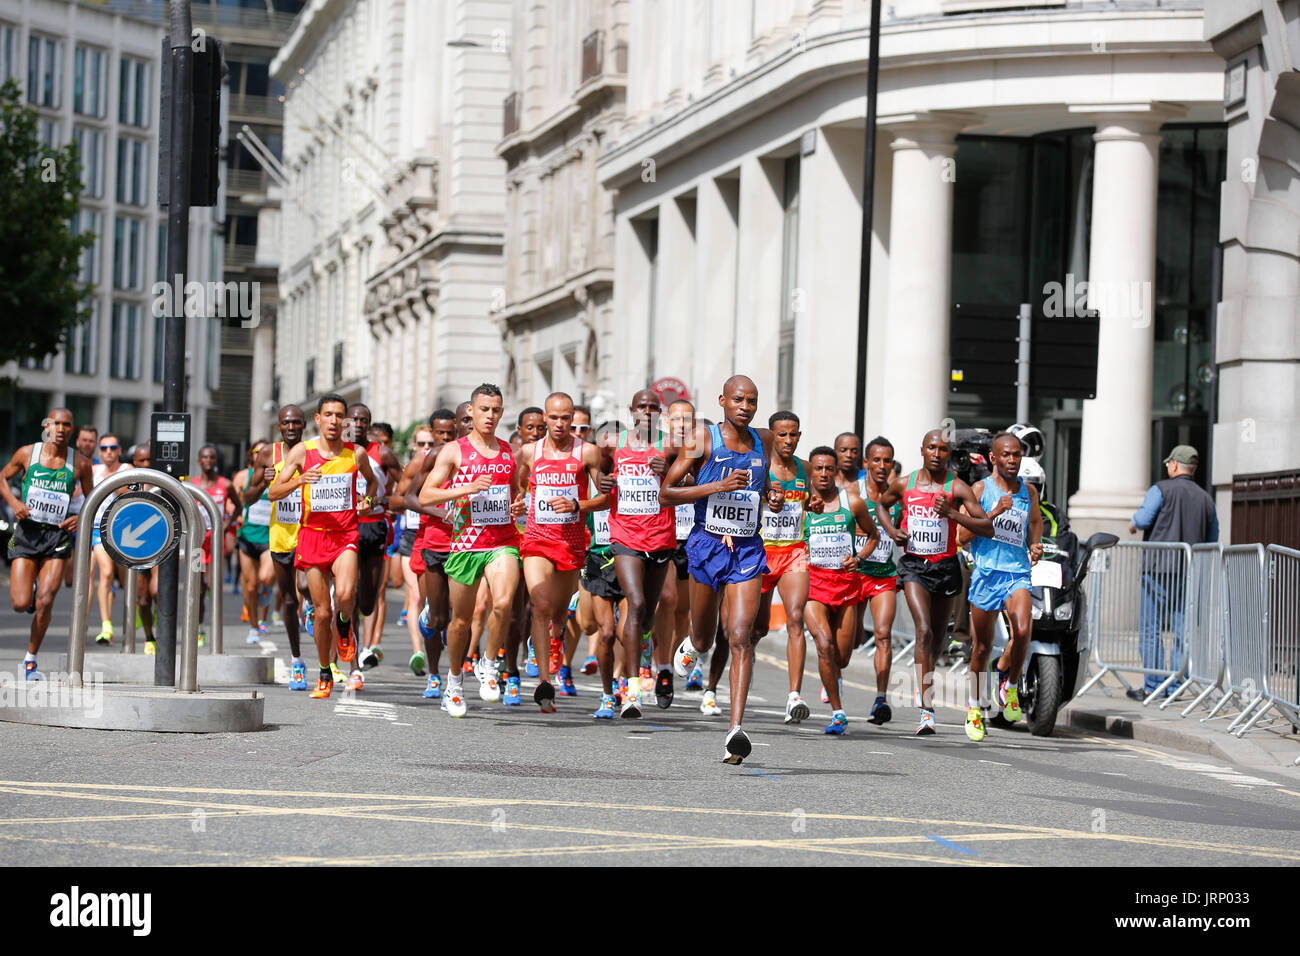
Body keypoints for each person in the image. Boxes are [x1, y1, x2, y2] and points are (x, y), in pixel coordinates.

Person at [662, 375, 777, 764]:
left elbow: (764, 486)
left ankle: (735, 731)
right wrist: (716, 487)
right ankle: (692, 645)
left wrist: (771, 495)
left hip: (746, 549)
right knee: (706, 637)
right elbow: (667, 492)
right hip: (707, 545)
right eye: (739, 399)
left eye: (752, 401)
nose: (746, 406)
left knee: (741, 635)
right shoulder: (702, 439)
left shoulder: (765, 439)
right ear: (722, 400)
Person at [874, 429, 993, 736]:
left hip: (946, 567)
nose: (937, 454)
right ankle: (926, 710)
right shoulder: (905, 483)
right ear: (922, 450)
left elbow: (986, 527)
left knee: (937, 639)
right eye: (932, 448)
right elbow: (881, 504)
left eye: (943, 449)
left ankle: (925, 678)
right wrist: (891, 530)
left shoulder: (957, 486)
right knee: (923, 630)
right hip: (914, 566)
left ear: (949, 453)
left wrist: (952, 512)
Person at [419, 384, 525, 717]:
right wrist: (466, 487)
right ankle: (453, 683)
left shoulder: (510, 452)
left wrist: (516, 507)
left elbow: (512, 495)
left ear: (502, 412)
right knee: (460, 622)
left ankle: (489, 664)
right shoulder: (454, 451)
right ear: (471, 411)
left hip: (502, 541)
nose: (490, 416)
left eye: (496, 410)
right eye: (484, 410)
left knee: (505, 602)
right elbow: (425, 496)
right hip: (466, 544)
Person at [269, 394, 379, 699]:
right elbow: (274, 492)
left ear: (345, 421)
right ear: (317, 419)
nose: (334, 421)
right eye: (328, 415)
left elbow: (372, 483)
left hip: (345, 535)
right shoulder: (303, 452)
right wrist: (299, 480)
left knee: (346, 595)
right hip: (312, 535)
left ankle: (345, 627)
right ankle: (324, 672)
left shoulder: (355, 454)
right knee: (321, 612)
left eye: (339, 416)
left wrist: (368, 501)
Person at [595, 389, 683, 718]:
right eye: (641, 406)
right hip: (625, 537)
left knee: (647, 617)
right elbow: (602, 473)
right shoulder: (612, 443)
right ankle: (632, 691)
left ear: (659, 413)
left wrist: (671, 469)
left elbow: (691, 480)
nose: (647, 412)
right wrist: (604, 483)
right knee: (637, 603)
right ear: (631, 411)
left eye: (652, 407)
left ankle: (642, 642)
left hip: (660, 538)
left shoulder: (671, 445)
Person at [516, 392, 605, 709]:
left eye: (565, 418)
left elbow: (607, 498)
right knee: (539, 605)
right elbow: (519, 486)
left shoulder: (588, 453)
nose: (559, 424)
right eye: (553, 418)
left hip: (571, 542)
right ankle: (544, 682)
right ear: (544, 417)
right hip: (537, 539)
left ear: (573, 419)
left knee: (558, 614)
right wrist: (516, 501)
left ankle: (554, 638)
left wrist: (578, 504)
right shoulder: (529, 452)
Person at [959, 433, 1042, 741]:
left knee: (1022, 629)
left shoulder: (1028, 491)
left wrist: (1034, 545)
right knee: (980, 647)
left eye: (1016, 455)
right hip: (986, 574)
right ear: (993, 458)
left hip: (1017, 572)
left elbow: (1035, 522)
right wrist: (993, 513)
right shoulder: (980, 490)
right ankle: (974, 708)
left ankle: (1010, 684)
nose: (1011, 460)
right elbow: (961, 538)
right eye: (1005, 455)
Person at [1, 408, 94, 679]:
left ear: (72, 429)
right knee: (20, 603)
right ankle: (29, 590)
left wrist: (79, 517)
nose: (61, 429)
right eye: (57, 423)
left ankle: (30, 661)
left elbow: (92, 498)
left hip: (57, 537)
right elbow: (2, 478)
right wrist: (15, 503)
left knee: (46, 600)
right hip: (27, 534)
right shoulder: (26, 454)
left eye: (67, 424)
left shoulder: (81, 464)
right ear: (47, 426)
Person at [801, 447, 880, 735]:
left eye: (829, 469)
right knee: (824, 643)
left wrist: (858, 559)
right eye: (818, 468)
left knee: (842, 657)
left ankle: (833, 677)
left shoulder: (853, 502)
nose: (823, 474)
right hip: (813, 585)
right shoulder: (802, 503)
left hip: (847, 585)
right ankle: (838, 712)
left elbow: (874, 535)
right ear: (811, 471)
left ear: (836, 472)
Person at [1129, 444, 1218, 699]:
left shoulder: (1161, 489)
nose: (1167, 467)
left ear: (1175, 465)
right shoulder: (1205, 498)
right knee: (1183, 629)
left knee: (1151, 628)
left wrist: (1133, 523)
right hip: (1187, 570)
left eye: (1169, 463)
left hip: (1157, 568)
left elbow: (1144, 519)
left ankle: (1154, 685)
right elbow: (1213, 537)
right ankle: (1177, 685)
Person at [754, 411, 814, 724]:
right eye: (782, 435)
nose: (788, 441)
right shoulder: (760, 466)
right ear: (771, 436)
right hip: (762, 553)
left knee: (794, 618)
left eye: (793, 435)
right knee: (758, 628)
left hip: (794, 552)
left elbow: (813, 500)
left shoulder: (804, 468)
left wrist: (815, 503)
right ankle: (740, 671)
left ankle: (794, 697)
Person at [396, 411, 459, 698]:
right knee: (435, 616)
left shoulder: (467, 456)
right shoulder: (428, 459)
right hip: (430, 540)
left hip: (464, 543)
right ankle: (434, 675)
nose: (445, 438)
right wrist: (440, 512)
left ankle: (453, 676)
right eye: (440, 433)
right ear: (431, 432)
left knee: (460, 614)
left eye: (450, 433)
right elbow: (408, 498)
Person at [252, 407, 308, 690]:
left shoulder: (313, 452)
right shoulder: (266, 455)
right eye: (286, 422)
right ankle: (297, 660)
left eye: (296, 422)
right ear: (279, 426)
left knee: (305, 583)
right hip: (280, 537)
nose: (291, 427)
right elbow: (247, 499)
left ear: (304, 425)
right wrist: (263, 480)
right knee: (288, 601)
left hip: (309, 533)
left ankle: (309, 604)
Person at [347, 404, 401, 677]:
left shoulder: (383, 453)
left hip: (374, 527)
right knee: (349, 595)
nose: (358, 423)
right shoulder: (335, 451)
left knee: (367, 601)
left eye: (363, 420)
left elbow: (405, 485)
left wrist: (387, 500)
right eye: (354, 419)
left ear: (369, 424)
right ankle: (351, 661)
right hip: (345, 529)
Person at [854, 437, 903, 725]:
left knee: (883, 634)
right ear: (866, 463)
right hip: (856, 573)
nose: (882, 466)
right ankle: (833, 676)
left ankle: (880, 699)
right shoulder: (854, 494)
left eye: (887, 461)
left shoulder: (896, 496)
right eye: (876, 460)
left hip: (884, 575)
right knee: (851, 641)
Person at [190, 445, 236, 646]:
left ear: (215, 461)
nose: (208, 460)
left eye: (212, 457)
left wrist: (226, 524)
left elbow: (239, 505)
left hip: (216, 542)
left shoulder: (225, 484)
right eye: (204, 457)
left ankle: (216, 629)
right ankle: (198, 628)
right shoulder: (193, 484)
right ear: (199, 461)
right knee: (197, 588)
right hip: (198, 543)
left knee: (213, 586)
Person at [89, 434, 130, 645]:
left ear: (119, 450)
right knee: (105, 572)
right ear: (99, 451)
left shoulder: (127, 469)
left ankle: (135, 618)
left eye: (113, 448)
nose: (108, 452)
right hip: (98, 529)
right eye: (104, 448)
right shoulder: (94, 471)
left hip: (123, 532)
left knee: (126, 581)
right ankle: (107, 626)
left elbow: (129, 492)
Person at [236, 441, 275, 646]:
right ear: (251, 455)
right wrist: (235, 515)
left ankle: (266, 598)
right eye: (257, 452)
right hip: (248, 535)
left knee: (266, 577)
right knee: (250, 587)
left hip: (270, 536)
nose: (261, 455)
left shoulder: (278, 473)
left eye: (264, 452)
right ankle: (253, 625)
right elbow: (232, 500)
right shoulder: (243, 477)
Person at [63, 424, 101, 588]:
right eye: (84, 440)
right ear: (77, 442)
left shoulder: (100, 467)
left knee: (87, 573)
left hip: (89, 523)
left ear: (95, 444)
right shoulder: (67, 462)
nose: (87, 444)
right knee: (69, 578)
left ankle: (107, 587)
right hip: (65, 521)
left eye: (91, 441)